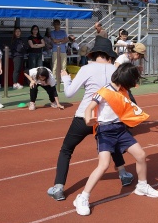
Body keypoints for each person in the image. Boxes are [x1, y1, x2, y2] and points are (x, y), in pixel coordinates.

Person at [47, 37, 132, 201]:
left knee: (66, 149)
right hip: (105, 118)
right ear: (109, 55)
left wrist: (66, 78)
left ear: (94, 53)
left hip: (84, 116)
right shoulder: (116, 70)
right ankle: (123, 174)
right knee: (112, 145)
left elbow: (69, 93)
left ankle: (58, 187)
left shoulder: (86, 68)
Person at [73, 63, 158, 216]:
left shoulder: (122, 91)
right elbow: (88, 108)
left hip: (120, 129)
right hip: (105, 131)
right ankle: (82, 197)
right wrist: (88, 120)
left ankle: (142, 186)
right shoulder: (104, 91)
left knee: (141, 155)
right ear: (126, 79)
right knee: (104, 165)